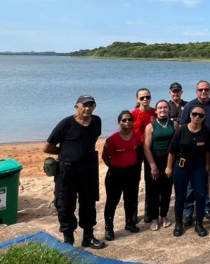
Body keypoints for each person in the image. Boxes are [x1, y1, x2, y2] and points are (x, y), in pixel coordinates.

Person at [44, 94, 105, 249]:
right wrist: (66, 152)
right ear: (76, 107)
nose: (88, 108)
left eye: (91, 105)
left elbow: (91, 140)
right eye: (84, 105)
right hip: (67, 170)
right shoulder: (66, 124)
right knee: (65, 204)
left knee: (89, 203)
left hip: (89, 169)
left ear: (94, 107)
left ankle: (88, 237)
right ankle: (68, 239)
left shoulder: (97, 121)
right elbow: (47, 147)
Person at [168, 105, 210, 237]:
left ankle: (199, 224)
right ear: (190, 115)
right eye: (194, 114)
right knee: (180, 196)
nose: (197, 117)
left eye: (200, 115)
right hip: (181, 166)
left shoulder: (206, 131)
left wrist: (207, 165)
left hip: (198, 166)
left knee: (200, 195)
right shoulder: (181, 130)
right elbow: (172, 150)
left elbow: (208, 151)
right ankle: (178, 224)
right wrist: (169, 167)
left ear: (204, 117)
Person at [180, 80, 210, 222]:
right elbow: (182, 126)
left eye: (206, 89)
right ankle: (188, 211)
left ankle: (206, 207)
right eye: (200, 89)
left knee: (207, 181)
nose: (203, 92)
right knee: (191, 184)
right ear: (196, 91)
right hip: (193, 150)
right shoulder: (190, 106)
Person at [101, 110, 141, 241]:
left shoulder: (136, 137)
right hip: (115, 174)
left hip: (131, 173)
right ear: (119, 123)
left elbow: (138, 151)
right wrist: (114, 166)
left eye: (130, 119)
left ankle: (129, 223)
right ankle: (109, 228)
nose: (127, 122)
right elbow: (105, 156)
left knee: (130, 200)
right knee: (112, 202)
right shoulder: (112, 139)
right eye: (124, 120)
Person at [143, 100, 175, 231]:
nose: (163, 110)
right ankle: (154, 218)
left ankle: (164, 216)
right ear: (155, 110)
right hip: (154, 160)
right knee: (153, 191)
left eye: (165, 107)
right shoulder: (151, 126)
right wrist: (152, 166)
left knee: (167, 190)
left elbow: (175, 145)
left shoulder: (174, 124)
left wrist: (170, 165)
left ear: (169, 110)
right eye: (160, 108)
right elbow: (146, 148)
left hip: (169, 161)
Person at [133, 88, 156, 224]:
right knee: (134, 181)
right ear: (138, 99)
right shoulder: (133, 114)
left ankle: (149, 211)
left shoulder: (155, 112)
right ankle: (133, 212)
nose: (145, 100)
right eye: (142, 98)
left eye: (147, 97)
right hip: (136, 150)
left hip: (150, 149)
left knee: (150, 180)